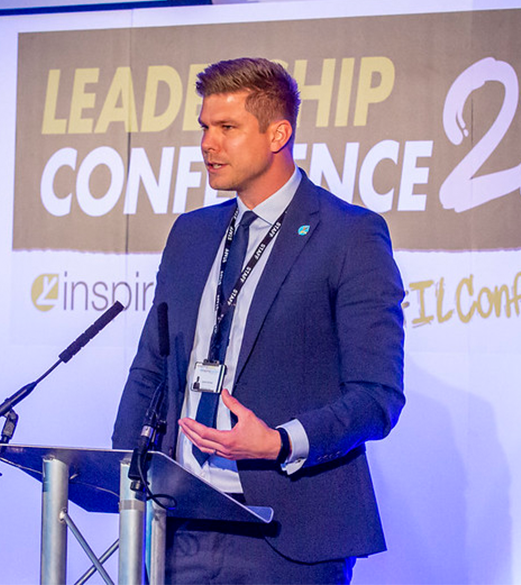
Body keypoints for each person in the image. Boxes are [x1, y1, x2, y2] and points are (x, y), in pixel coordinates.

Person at [112, 57, 405, 584]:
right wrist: (123, 471)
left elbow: (377, 397)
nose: (208, 143)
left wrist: (279, 440)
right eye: (205, 127)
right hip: (181, 524)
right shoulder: (191, 234)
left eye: (227, 128)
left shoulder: (349, 234)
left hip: (287, 535)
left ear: (278, 133)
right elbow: (151, 367)